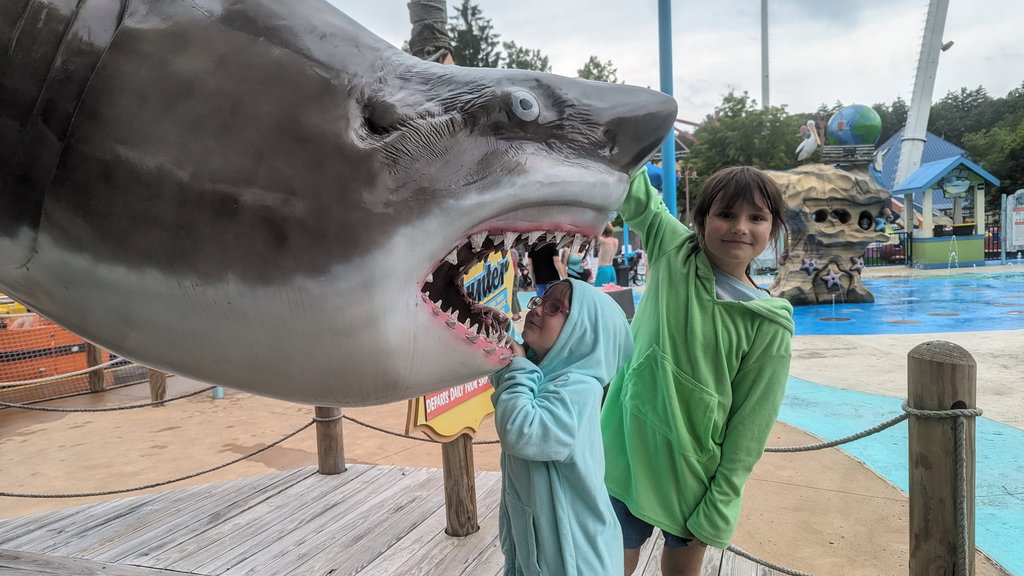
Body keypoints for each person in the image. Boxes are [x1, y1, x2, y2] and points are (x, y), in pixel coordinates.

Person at [601, 166, 794, 576]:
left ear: (773, 229)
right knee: (607, 564)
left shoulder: (768, 324)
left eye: (756, 217)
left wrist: (720, 502)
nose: (740, 227)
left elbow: (751, 425)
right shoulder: (675, 253)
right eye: (726, 213)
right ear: (701, 218)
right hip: (624, 450)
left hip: (693, 473)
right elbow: (638, 197)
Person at [491, 278, 632, 576]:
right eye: (541, 300)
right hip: (539, 549)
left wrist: (517, 368)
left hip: (575, 559)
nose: (538, 308)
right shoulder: (546, 375)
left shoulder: (578, 389)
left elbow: (522, 431)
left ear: (583, 333)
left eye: (555, 307)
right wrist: (502, 338)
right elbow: (517, 383)